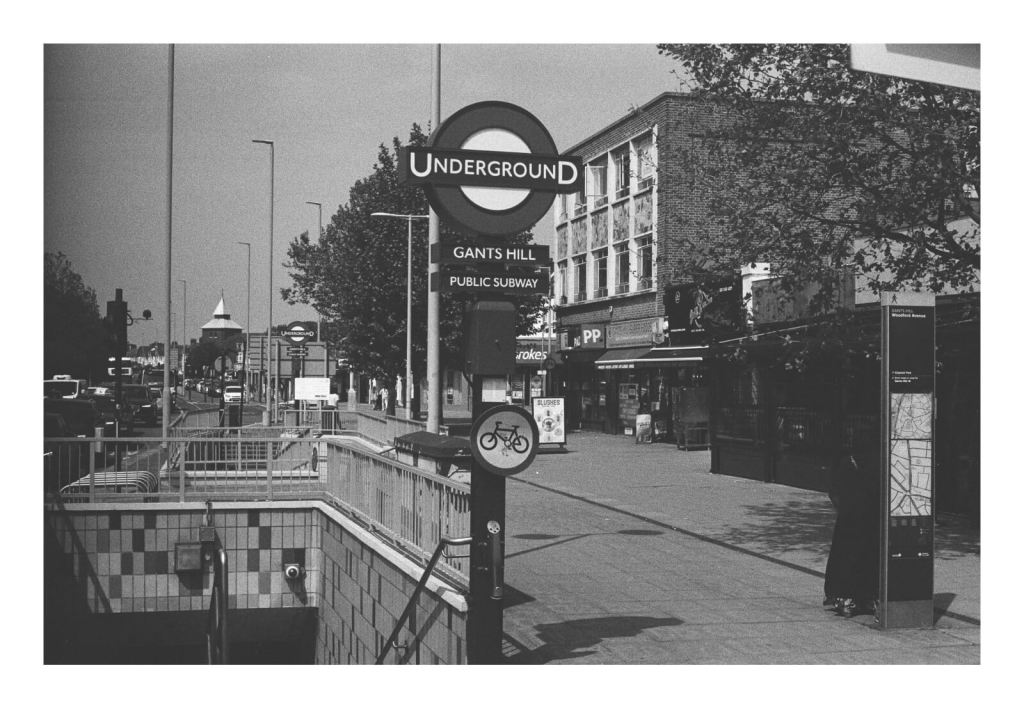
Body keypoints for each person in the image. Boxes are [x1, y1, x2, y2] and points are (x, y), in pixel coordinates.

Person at [824, 438, 881, 617]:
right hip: (871, 520)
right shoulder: (878, 465)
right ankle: (867, 596)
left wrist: (844, 508)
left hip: (849, 520)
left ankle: (844, 597)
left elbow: (833, 491)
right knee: (868, 557)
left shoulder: (846, 463)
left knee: (845, 557)